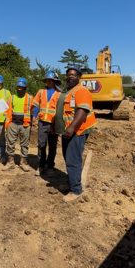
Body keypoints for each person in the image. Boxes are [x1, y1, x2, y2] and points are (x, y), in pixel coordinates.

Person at [52, 65, 96, 203]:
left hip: (77, 131)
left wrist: (71, 127)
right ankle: (71, 183)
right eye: (69, 74)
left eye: (74, 74)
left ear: (79, 76)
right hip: (67, 132)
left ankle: (76, 190)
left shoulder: (81, 90)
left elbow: (82, 111)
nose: (70, 76)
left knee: (73, 160)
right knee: (68, 158)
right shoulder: (68, 91)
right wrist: (55, 126)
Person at [32, 70, 62, 178]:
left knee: (52, 146)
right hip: (42, 122)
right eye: (47, 80)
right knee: (41, 144)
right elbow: (36, 105)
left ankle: (50, 167)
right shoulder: (41, 91)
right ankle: (41, 165)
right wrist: (34, 117)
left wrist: (58, 124)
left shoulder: (59, 93)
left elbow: (61, 110)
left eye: (51, 80)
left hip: (54, 124)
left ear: (55, 81)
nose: (49, 82)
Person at [4, 78, 34, 172]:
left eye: (21, 87)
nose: (19, 88)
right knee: (10, 143)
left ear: (25, 87)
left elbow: (33, 111)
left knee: (24, 144)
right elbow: (7, 111)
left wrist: (32, 122)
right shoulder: (11, 98)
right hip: (12, 123)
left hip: (25, 124)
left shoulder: (30, 98)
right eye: (18, 87)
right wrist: (7, 123)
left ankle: (23, 162)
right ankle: (10, 162)